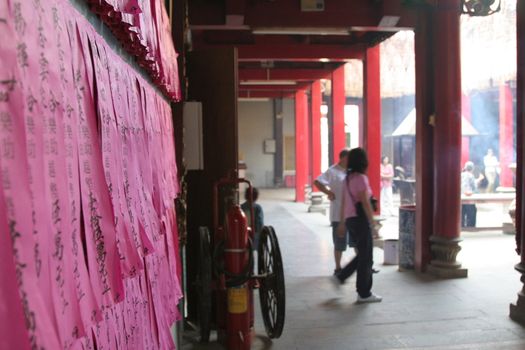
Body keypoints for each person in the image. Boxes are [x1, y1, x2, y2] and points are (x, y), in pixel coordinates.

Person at [332, 148, 382, 303]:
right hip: (360, 220)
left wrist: (342, 223)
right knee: (366, 257)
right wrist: (373, 223)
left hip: (350, 220)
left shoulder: (347, 179)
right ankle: (364, 293)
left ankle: (342, 275)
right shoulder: (360, 178)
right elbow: (365, 203)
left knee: (363, 254)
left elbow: (344, 203)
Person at [314, 149, 354, 275]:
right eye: (348, 158)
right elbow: (317, 182)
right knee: (339, 242)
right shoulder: (332, 171)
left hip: (352, 213)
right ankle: (338, 267)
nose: (349, 161)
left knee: (356, 242)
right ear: (341, 158)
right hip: (337, 213)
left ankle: (363, 266)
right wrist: (328, 192)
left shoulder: (352, 170)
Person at [461, 161, 478, 228]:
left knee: (462, 212)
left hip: (461, 197)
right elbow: (474, 187)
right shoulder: (471, 176)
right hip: (469, 197)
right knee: (472, 212)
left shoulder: (461, 174)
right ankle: (470, 227)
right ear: (472, 168)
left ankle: (461, 226)